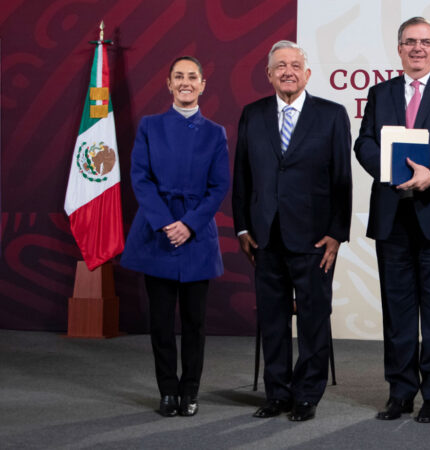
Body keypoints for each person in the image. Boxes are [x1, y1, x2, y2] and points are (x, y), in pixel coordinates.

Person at [354, 17, 430, 423]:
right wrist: (388, 169)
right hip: (393, 216)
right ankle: (401, 391)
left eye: (425, 42)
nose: (418, 49)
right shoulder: (381, 92)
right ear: (399, 49)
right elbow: (364, 141)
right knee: (398, 310)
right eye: (410, 42)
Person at [232, 40, 352, 422]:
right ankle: (277, 393)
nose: (288, 71)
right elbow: (242, 177)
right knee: (273, 319)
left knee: (315, 318)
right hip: (266, 236)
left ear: (307, 73)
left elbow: (342, 181)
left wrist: (337, 233)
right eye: (280, 65)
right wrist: (242, 227)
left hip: (316, 238)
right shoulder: (252, 114)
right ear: (269, 75)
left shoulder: (332, 115)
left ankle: (306, 394)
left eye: (295, 65)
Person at [121, 56, 230, 417]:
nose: (186, 82)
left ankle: (190, 392)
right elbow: (140, 178)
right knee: (161, 321)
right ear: (168, 84)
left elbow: (218, 187)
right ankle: (167, 390)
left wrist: (190, 224)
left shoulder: (216, 133)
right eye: (178, 77)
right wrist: (167, 222)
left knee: (196, 324)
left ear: (202, 85)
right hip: (159, 233)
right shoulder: (150, 126)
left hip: (196, 235)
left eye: (192, 77)